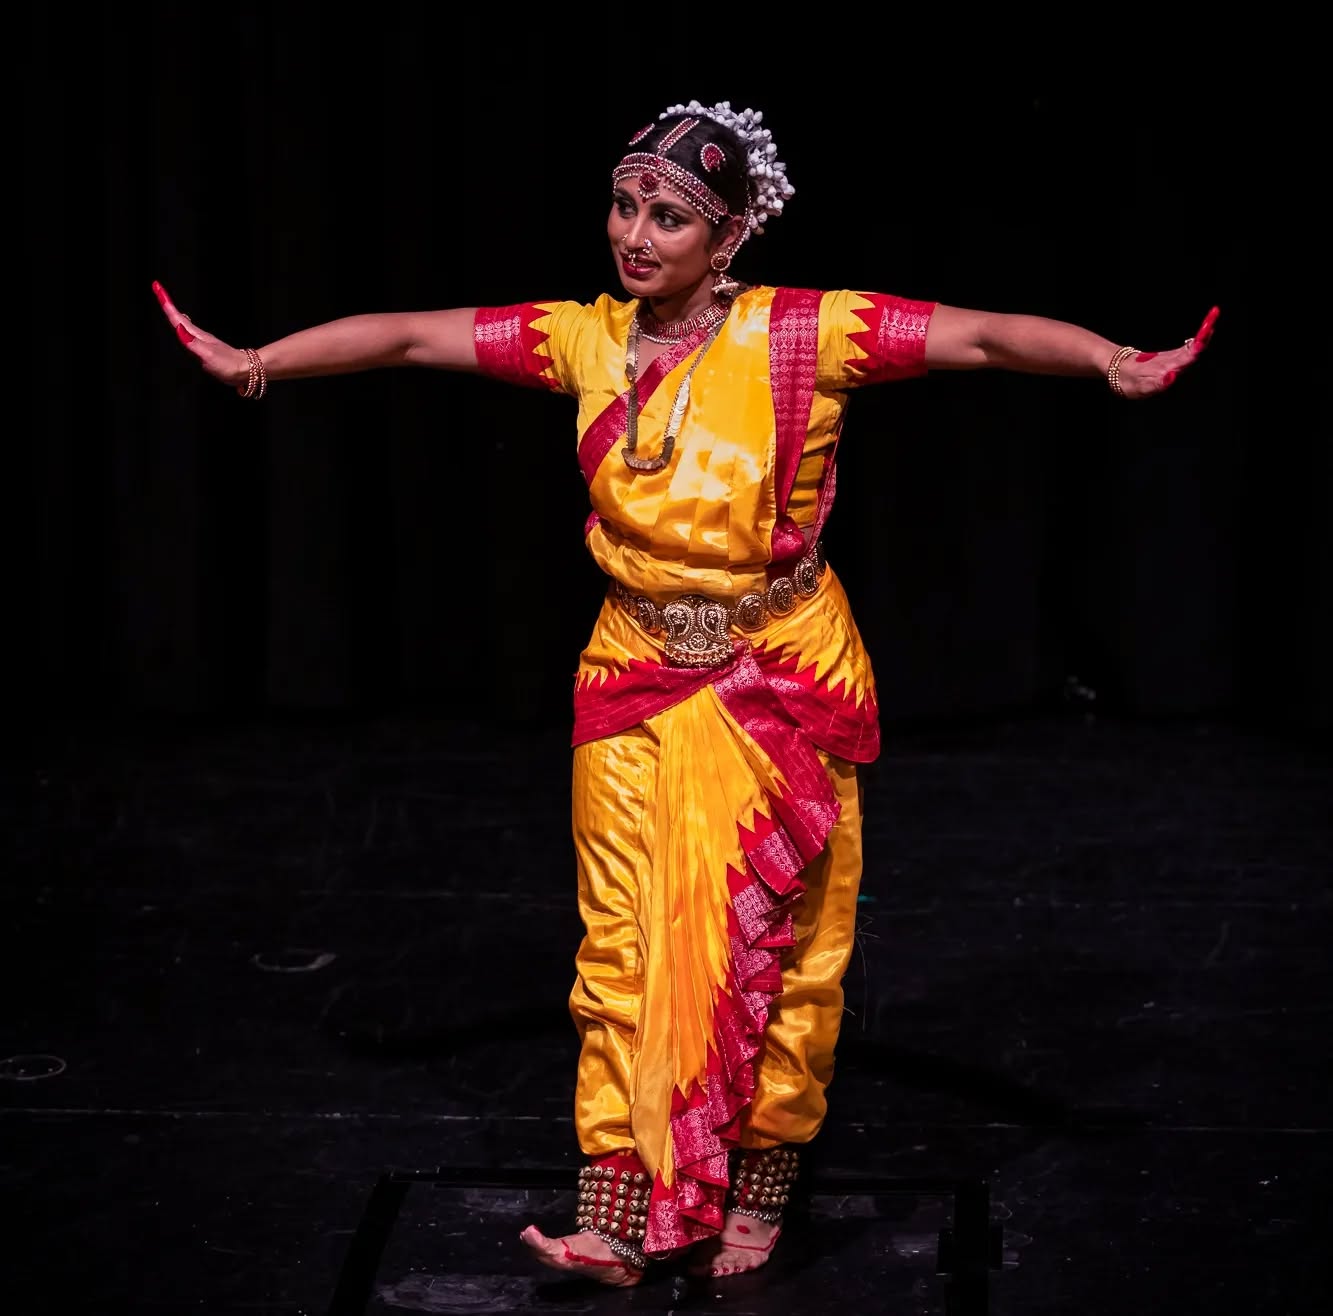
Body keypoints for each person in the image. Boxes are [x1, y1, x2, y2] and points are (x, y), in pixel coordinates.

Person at [152, 98, 1218, 1288]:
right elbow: (408, 338)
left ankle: (758, 1183)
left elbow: (974, 338)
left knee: (787, 945)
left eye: (668, 217)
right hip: (630, 673)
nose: (634, 234)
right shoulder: (583, 339)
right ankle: (617, 1212)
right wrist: (258, 365)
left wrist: (1107, 360)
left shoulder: (806, 333)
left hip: (780, 676)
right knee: (621, 942)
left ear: (729, 237)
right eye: (623, 206)